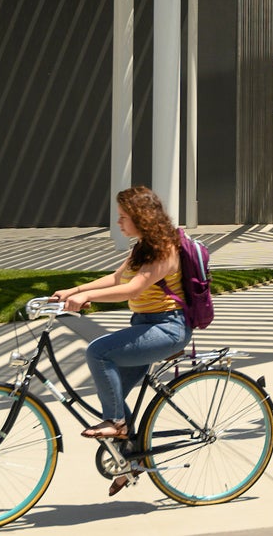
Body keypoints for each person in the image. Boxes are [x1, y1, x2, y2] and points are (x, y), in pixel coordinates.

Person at [51, 186, 191, 495]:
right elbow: (117, 280)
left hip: (168, 329)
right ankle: (132, 460)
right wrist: (74, 292)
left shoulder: (165, 249)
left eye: (123, 217)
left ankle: (116, 423)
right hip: (144, 325)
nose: (118, 222)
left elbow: (132, 290)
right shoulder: (142, 246)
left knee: (99, 353)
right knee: (111, 394)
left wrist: (87, 296)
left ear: (142, 217)